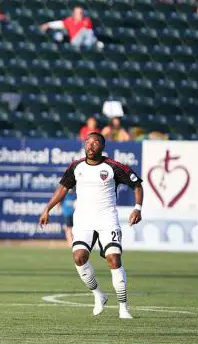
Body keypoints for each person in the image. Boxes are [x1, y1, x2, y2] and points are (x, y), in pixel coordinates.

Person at [39, 132, 143, 319]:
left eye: (95, 142)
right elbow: (63, 188)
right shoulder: (76, 166)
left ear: (102, 147)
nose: (91, 145)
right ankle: (98, 295)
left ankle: (123, 308)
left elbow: (137, 185)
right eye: (88, 142)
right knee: (79, 257)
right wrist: (48, 209)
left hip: (107, 219)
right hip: (83, 220)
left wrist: (137, 208)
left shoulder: (114, 167)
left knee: (114, 259)